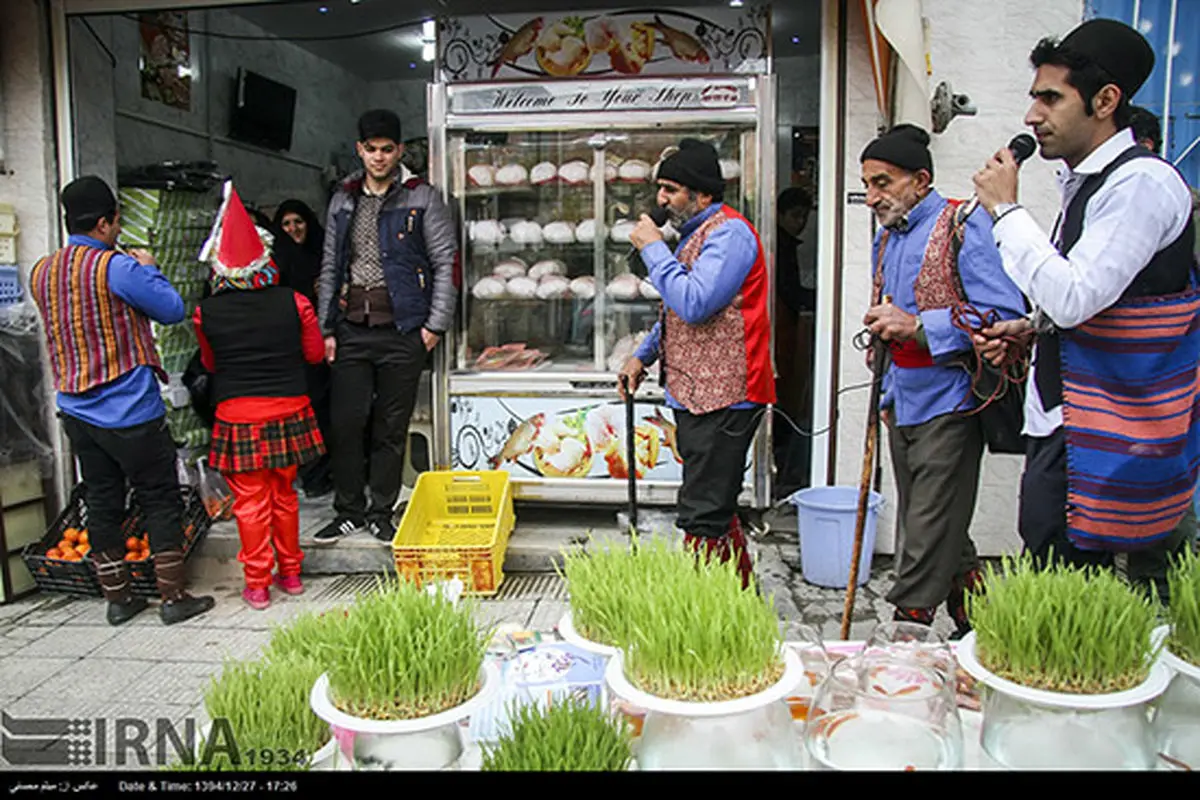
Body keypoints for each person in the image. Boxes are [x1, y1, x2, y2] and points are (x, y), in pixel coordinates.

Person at [972, 18, 1198, 603]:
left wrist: (1004, 212)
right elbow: (1095, 299)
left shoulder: (1141, 184)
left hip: (1110, 429)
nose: (1031, 116)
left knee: (1076, 594)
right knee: (1058, 570)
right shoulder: (1090, 185)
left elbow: (1074, 299)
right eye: (1032, 98)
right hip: (1074, 422)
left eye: (1050, 98)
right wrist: (1032, 328)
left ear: (1105, 101)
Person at [858, 125, 1027, 636]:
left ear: (921, 180)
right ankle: (974, 616)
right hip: (900, 397)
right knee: (932, 516)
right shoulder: (886, 237)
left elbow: (1003, 310)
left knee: (924, 525)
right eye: (867, 185)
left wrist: (916, 325)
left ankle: (907, 627)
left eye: (882, 183)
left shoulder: (962, 224)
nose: (872, 197)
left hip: (951, 399)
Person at [27, 176, 215, 626]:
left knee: (103, 498)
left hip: (75, 409)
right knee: (159, 496)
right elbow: (171, 309)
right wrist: (149, 266)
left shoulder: (41, 271)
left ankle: (118, 598)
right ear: (106, 222)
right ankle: (173, 598)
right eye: (115, 222)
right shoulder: (116, 267)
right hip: (130, 407)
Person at [618, 138, 774, 590]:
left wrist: (652, 248)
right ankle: (738, 599)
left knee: (702, 512)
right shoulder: (692, 236)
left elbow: (695, 304)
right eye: (661, 189)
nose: (661, 199)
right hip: (695, 392)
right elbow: (674, 313)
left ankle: (704, 604)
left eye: (671, 189)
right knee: (713, 505)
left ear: (703, 194)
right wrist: (642, 356)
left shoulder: (729, 234)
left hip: (726, 393)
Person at [314, 109, 458, 545]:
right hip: (352, 325)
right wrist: (326, 328)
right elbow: (330, 263)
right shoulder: (342, 198)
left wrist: (434, 325)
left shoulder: (422, 197)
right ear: (360, 150)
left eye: (386, 149)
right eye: (371, 149)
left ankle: (381, 510)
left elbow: (446, 261)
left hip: (403, 329)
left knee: (391, 426)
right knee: (346, 422)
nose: (378, 157)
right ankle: (348, 510)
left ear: (399, 151)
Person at [193, 183, 326, 610]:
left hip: (238, 413)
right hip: (289, 407)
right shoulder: (296, 302)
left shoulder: (205, 312)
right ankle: (291, 574)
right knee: (285, 494)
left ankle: (256, 584)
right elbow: (313, 354)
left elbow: (211, 365)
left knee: (250, 503)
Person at [774, 187, 816, 497]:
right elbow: (787, 289)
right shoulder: (778, 245)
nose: (800, 223)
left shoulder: (786, 243)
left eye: (804, 217)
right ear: (779, 214)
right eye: (795, 216)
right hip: (780, 328)